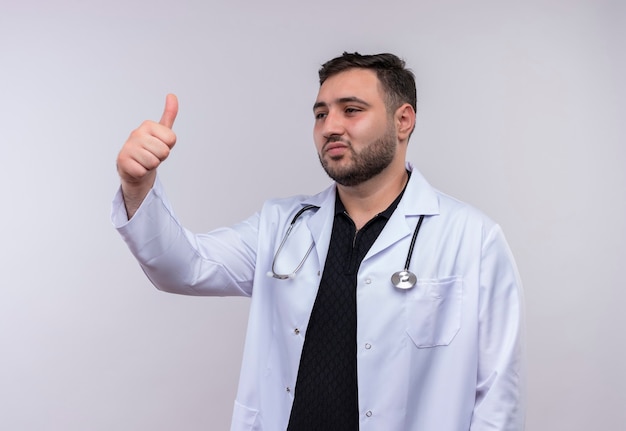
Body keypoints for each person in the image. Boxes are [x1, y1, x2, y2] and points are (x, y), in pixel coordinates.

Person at [112, 52, 525, 431]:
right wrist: (138, 185)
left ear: (404, 121)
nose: (330, 127)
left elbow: (497, 400)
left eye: (352, 110)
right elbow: (184, 267)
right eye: (320, 113)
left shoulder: (473, 239)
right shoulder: (281, 225)